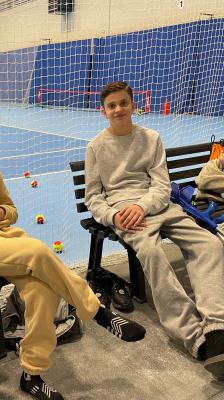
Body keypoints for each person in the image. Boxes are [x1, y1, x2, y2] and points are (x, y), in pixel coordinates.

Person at [0, 104, 146, 400]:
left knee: (43, 291)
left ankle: (32, 375)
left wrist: (1, 212)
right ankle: (96, 311)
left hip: (5, 240)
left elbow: (11, 211)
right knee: (38, 251)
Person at [84, 81, 224, 379]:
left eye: (123, 103)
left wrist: (143, 205)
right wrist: (114, 215)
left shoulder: (151, 138)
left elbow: (162, 185)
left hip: (158, 206)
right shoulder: (95, 147)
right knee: (152, 253)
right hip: (125, 214)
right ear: (104, 111)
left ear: (133, 105)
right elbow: (93, 197)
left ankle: (216, 328)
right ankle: (194, 337)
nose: (118, 109)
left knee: (209, 244)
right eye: (111, 105)